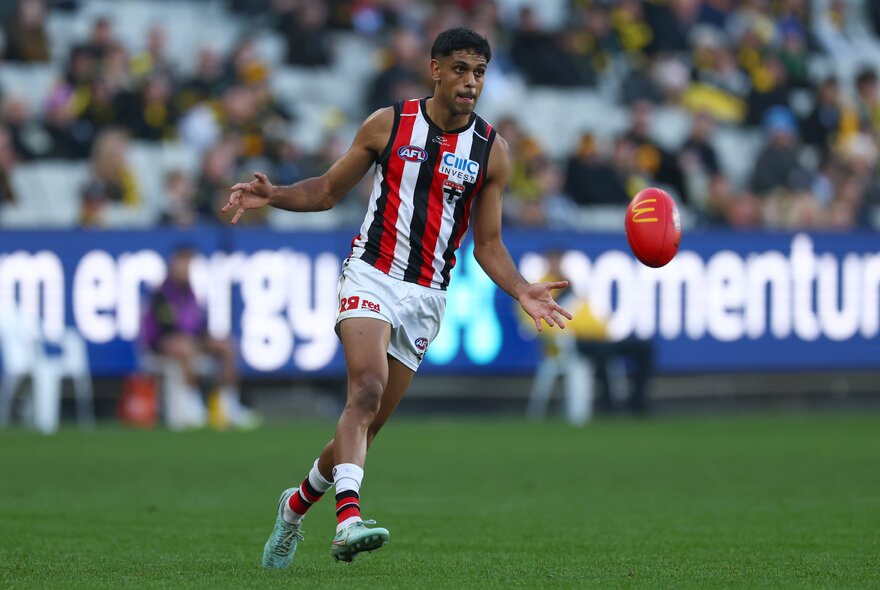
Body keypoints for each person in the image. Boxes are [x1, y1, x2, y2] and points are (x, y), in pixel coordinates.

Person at [222, 28, 573, 568]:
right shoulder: (389, 123)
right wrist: (275, 195)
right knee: (364, 389)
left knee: (364, 423)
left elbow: (489, 244)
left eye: (479, 72)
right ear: (435, 69)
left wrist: (522, 287)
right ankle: (348, 522)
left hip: (426, 296)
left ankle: (293, 508)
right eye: (460, 69)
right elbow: (326, 191)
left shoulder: (492, 152)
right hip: (371, 273)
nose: (470, 82)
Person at [142, 246, 256, 429]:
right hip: (162, 344)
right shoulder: (161, 294)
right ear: (173, 264)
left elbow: (199, 325)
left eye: (189, 263)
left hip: (190, 341)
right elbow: (167, 327)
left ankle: (229, 405)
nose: (186, 268)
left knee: (226, 346)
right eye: (183, 263)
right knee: (184, 346)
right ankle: (192, 404)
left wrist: (208, 340)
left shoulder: (190, 293)